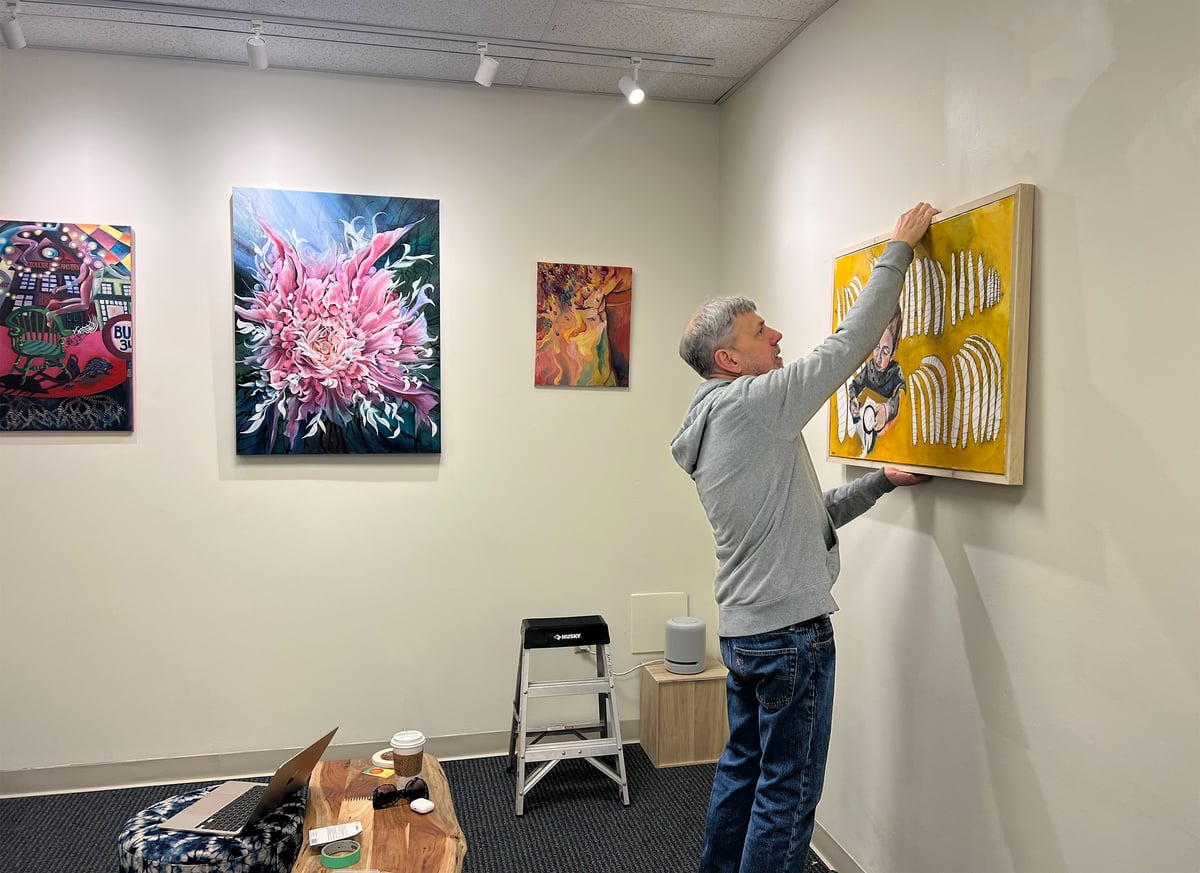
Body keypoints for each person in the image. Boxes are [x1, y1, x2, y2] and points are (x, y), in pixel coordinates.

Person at [671, 202, 938, 873]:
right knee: (787, 800)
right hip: (790, 635)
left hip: (747, 631)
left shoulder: (718, 421)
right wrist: (899, 250)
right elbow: (847, 347)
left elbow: (803, 517)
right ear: (730, 358)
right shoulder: (754, 405)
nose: (778, 334)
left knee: (742, 776)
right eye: (762, 331)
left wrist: (877, 481)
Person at [849, 305, 905, 454]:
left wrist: (886, 410)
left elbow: (902, 395)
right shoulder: (869, 368)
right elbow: (854, 384)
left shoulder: (896, 372)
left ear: (893, 353)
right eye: (876, 348)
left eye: (885, 352)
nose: (878, 358)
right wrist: (853, 398)